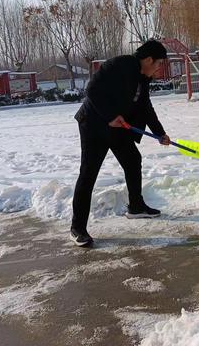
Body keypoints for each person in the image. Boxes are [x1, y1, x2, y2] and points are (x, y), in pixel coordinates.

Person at [70, 39, 170, 247]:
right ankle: (77, 228)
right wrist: (109, 116)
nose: (159, 68)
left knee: (133, 160)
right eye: (159, 63)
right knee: (88, 173)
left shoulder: (143, 78)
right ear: (149, 59)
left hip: (118, 126)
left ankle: (136, 206)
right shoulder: (120, 65)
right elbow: (92, 90)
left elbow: (145, 107)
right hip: (94, 124)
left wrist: (160, 133)